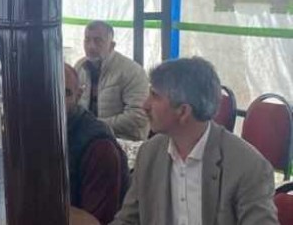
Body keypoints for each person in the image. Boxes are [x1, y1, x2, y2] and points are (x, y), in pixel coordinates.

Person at [112, 57, 278, 225]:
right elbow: (128, 220)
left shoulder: (247, 166)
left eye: (155, 96)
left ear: (183, 111)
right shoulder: (149, 153)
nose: (145, 105)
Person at [63, 63, 128, 224]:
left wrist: (42, 205)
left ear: (79, 95)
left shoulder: (98, 147)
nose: (54, 100)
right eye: (41, 92)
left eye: (65, 93)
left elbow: (97, 222)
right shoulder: (31, 135)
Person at [75, 21, 150, 141]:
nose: (91, 46)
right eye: (87, 40)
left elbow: (138, 116)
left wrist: (95, 126)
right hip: (87, 140)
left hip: (123, 141)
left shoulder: (132, 71)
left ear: (112, 45)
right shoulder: (79, 67)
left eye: (98, 41)